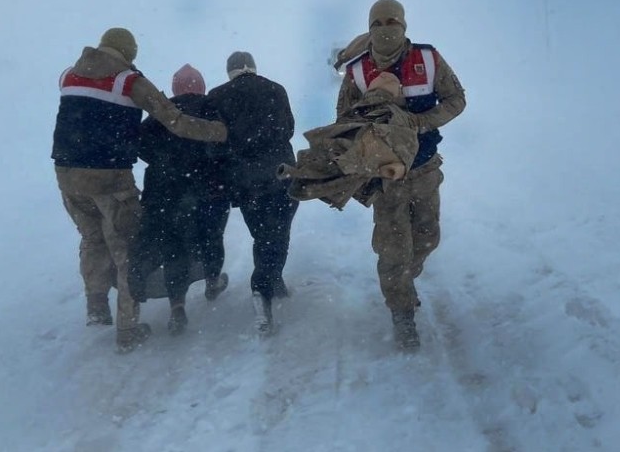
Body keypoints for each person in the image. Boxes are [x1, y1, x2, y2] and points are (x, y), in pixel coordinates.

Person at [52, 28, 228, 353]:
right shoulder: (128, 81)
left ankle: (96, 307)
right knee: (125, 248)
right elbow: (174, 120)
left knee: (92, 239)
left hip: (66, 174)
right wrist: (217, 132)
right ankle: (128, 330)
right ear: (129, 53)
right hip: (109, 177)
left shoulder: (69, 75)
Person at [336, 0, 466, 351]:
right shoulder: (358, 72)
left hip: (424, 168)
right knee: (393, 250)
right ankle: (402, 313)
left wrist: (421, 122)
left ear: (404, 25)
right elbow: (342, 122)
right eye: (377, 23)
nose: (385, 28)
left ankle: (405, 280)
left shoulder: (428, 59)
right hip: (385, 177)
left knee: (427, 238)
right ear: (370, 27)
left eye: (392, 21)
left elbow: (457, 100)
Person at [129, 64, 232, 336]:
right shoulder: (210, 108)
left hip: (164, 192)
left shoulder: (161, 113)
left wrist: (165, 161)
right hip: (207, 189)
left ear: (175, 88)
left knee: (173, 247)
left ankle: (177, 305)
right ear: (201, 85)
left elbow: (139, 144)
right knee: (212, 236)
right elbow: (224, 142)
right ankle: (212, 280)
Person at [207, 51, 298, 336]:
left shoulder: (216, 96)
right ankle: (263, 288)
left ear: (229, 71)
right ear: (253, 68)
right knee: (279, 231)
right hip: (280, 173)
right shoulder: (276, 89)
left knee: (262, 233)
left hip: (244, 180)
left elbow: (216, 143)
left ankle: (272, 281)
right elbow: (289, 129)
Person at [280, 72, 419, 210]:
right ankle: (301, 178)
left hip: (358, 155)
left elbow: (345, 125)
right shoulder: (402, 116)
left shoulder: (368, 105)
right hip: (371, 163)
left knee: (330, 166)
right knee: (335, 170)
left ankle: (300, 178)